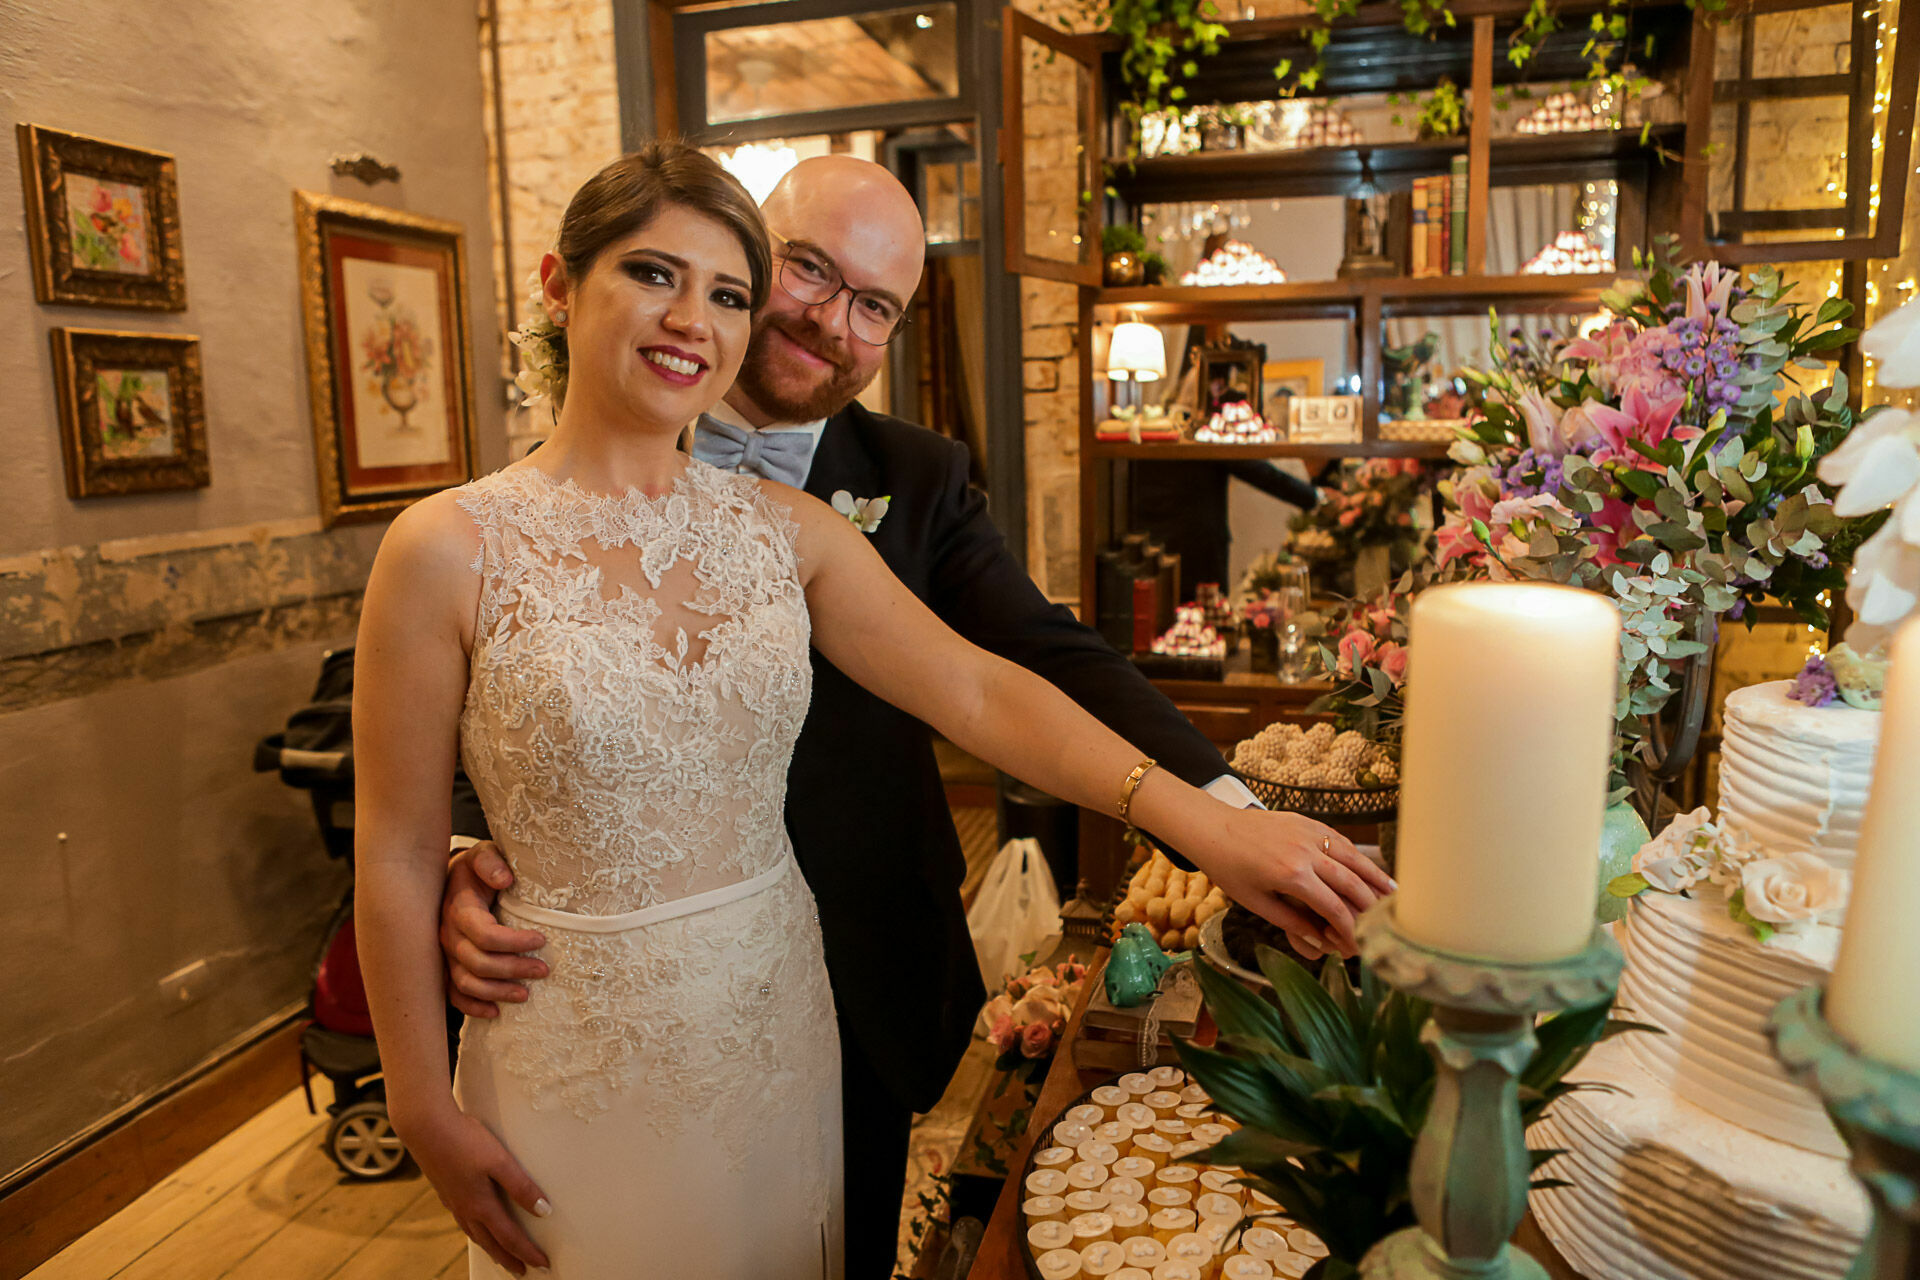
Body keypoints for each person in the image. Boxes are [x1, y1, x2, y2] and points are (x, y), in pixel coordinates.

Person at [413, 149, 1388, 1277]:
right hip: (577, 998)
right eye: (809, 274)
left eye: (874, 305)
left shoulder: (893, 486)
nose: (832, 322)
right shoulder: (486, 528)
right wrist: (463, 849)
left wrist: (1221, 813)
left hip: (838, 971)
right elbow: (491, 709)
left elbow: (1016, 666)